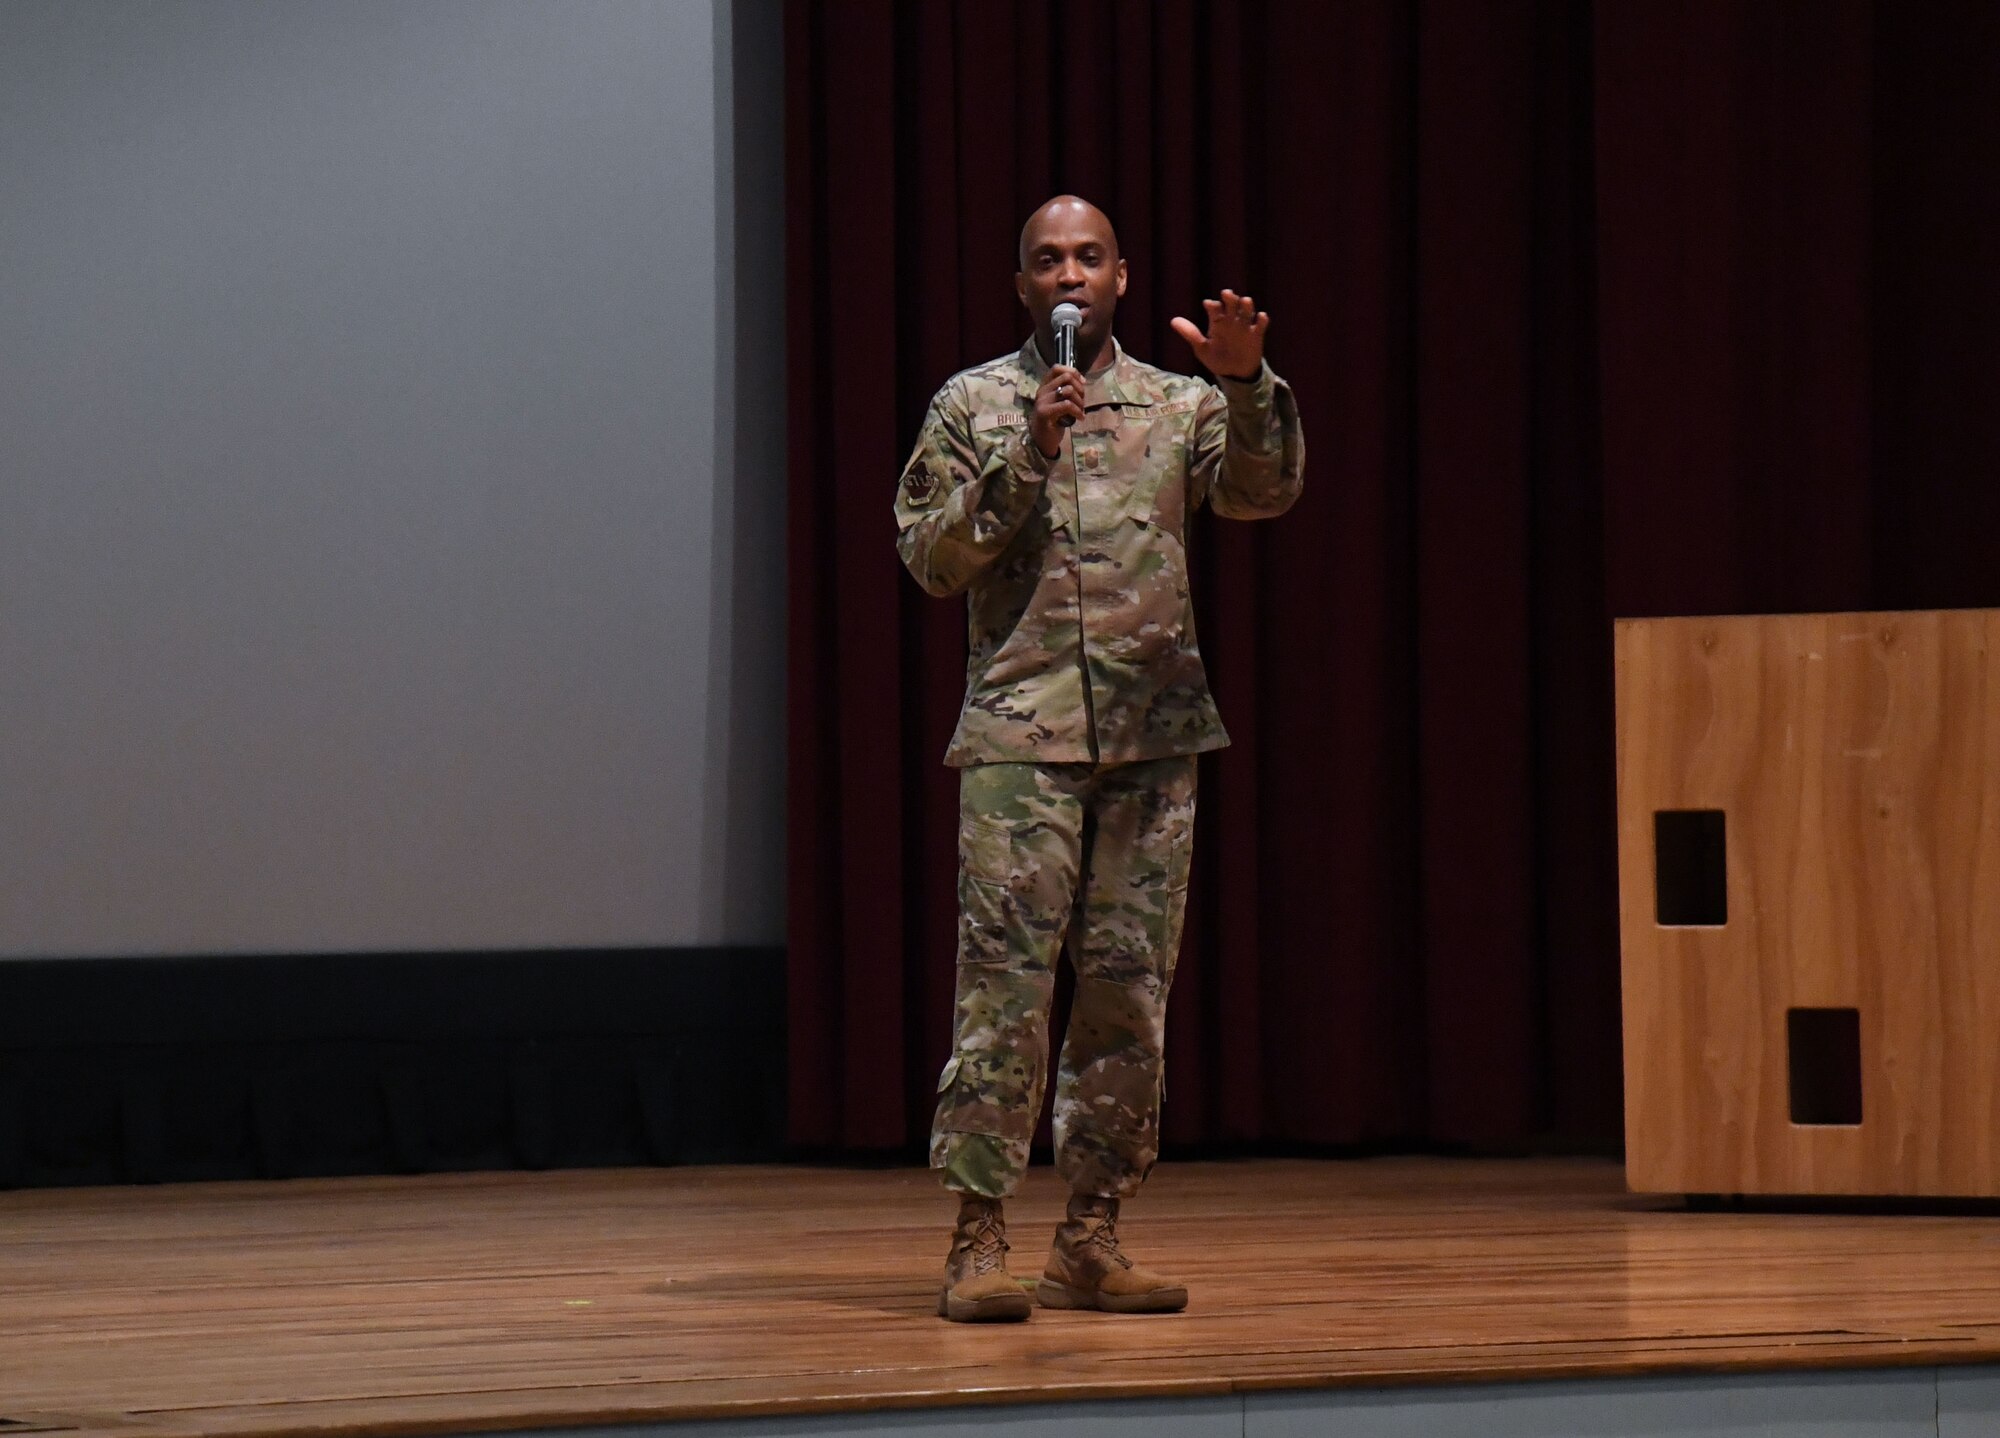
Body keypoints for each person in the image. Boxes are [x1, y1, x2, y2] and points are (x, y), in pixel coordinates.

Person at [894, 195, 1305, 1322]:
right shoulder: (974, 404)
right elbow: (931, 557)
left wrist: (1244, 386)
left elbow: (1262, 491)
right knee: (1004, 998)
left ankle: (1089, 1233)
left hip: (1150, 738)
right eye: (1045, 260)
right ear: (1019, 285)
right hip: (1020, 742)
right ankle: (978, 1240)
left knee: (1125, 1000)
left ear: (1120, 276)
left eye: (1087, 256)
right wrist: (1028, 447)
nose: (1067, 273)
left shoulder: (1177, 405)